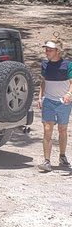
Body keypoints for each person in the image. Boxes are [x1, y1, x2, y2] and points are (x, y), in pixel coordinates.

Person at [37, 39, 72, 172]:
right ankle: (47, 161)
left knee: (62, 130)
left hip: (64, 102)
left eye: (50, 50)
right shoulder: (45, 64)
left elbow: (71, 82)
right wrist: (40, 97)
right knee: (47, 130)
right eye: (46, 49)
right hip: (49, 102)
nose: (47, 52)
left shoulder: (67, 65)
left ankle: (62, 156)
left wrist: (69, 94)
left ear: (58, 51)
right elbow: (43, 82)